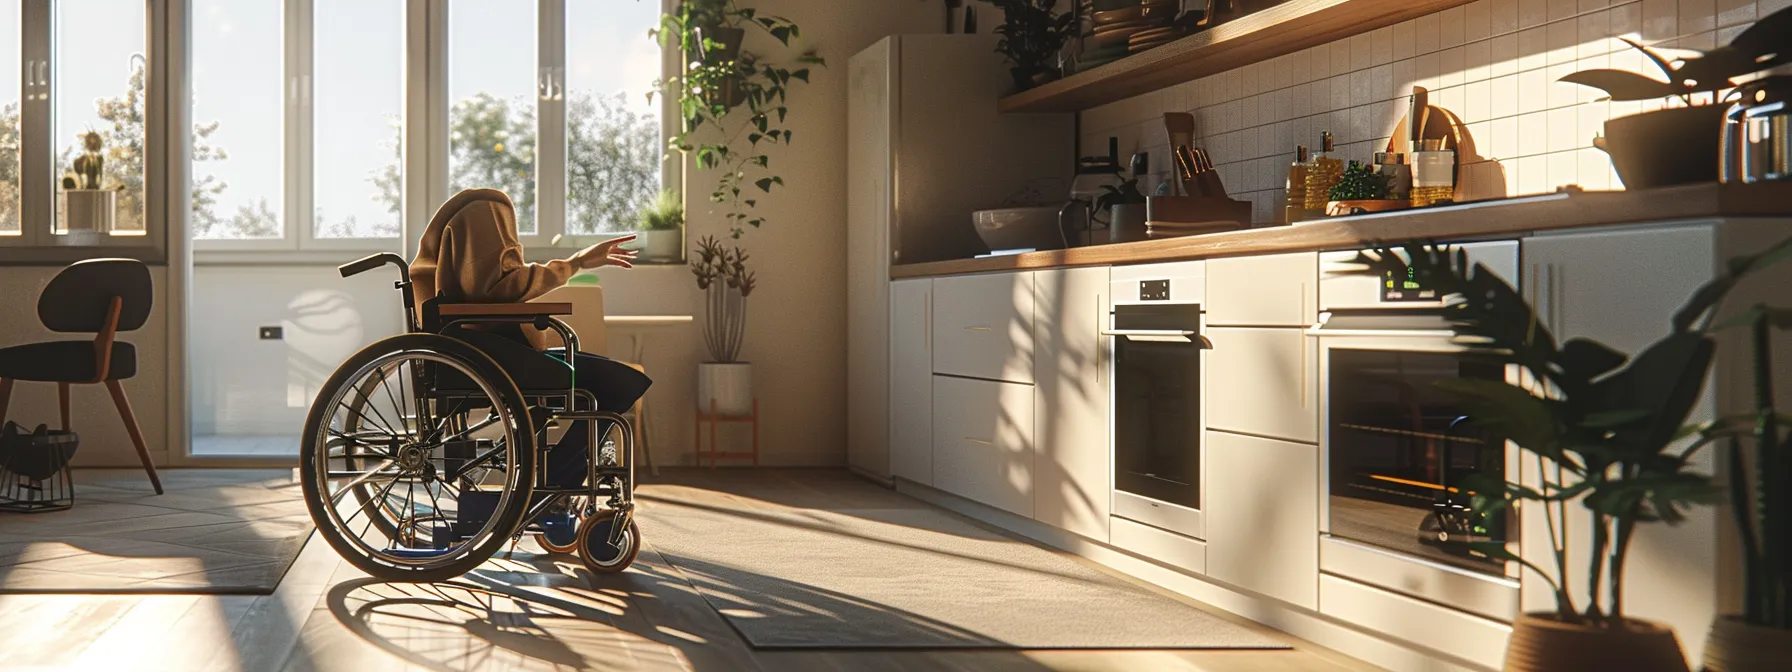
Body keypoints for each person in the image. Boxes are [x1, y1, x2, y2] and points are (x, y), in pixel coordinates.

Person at [410, 188, 651, 487]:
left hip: (483, 352)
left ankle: (556, 477)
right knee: (621, 381)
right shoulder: (485, 210)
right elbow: (500, 288)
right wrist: (576, 263)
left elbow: (492, 288)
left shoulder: (459, 233)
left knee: (614, 377)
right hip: (490, 356)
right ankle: (555, 482)